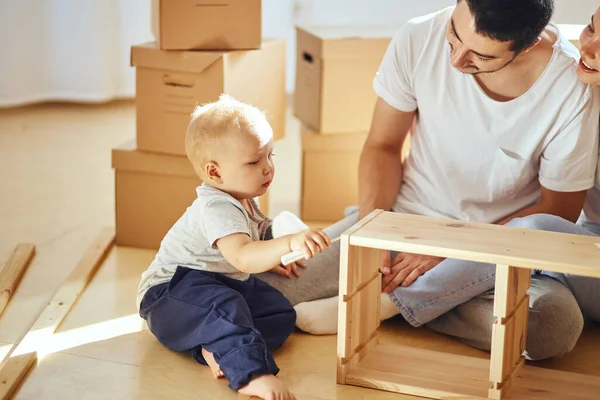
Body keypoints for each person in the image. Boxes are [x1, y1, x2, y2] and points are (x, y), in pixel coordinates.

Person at [259, 0, 600, 361]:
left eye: (480, 57)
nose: (456, 60)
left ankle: (395, 301)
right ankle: (415, 302)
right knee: (257, 290)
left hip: (499, 256)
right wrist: (376, 234)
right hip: (402, 224)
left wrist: (452, 251)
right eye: (455, 37)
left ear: (527, 45)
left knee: (551, 325)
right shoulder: (418, 37)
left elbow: (557, 211)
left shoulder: (573, 86)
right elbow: (383, 146)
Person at [136, 94, 332, 400]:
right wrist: (288, 242)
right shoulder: (216, 206)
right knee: (225, 307)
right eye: (254, 161)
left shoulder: (242, 196)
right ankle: (251, 375)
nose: (267, 168)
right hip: (170, 293)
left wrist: (274, 255)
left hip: (216, 283)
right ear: (214, 172)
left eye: (270, 155)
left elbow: (257, 238)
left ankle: (213, 349)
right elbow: (241, 255)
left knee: (278, 313)